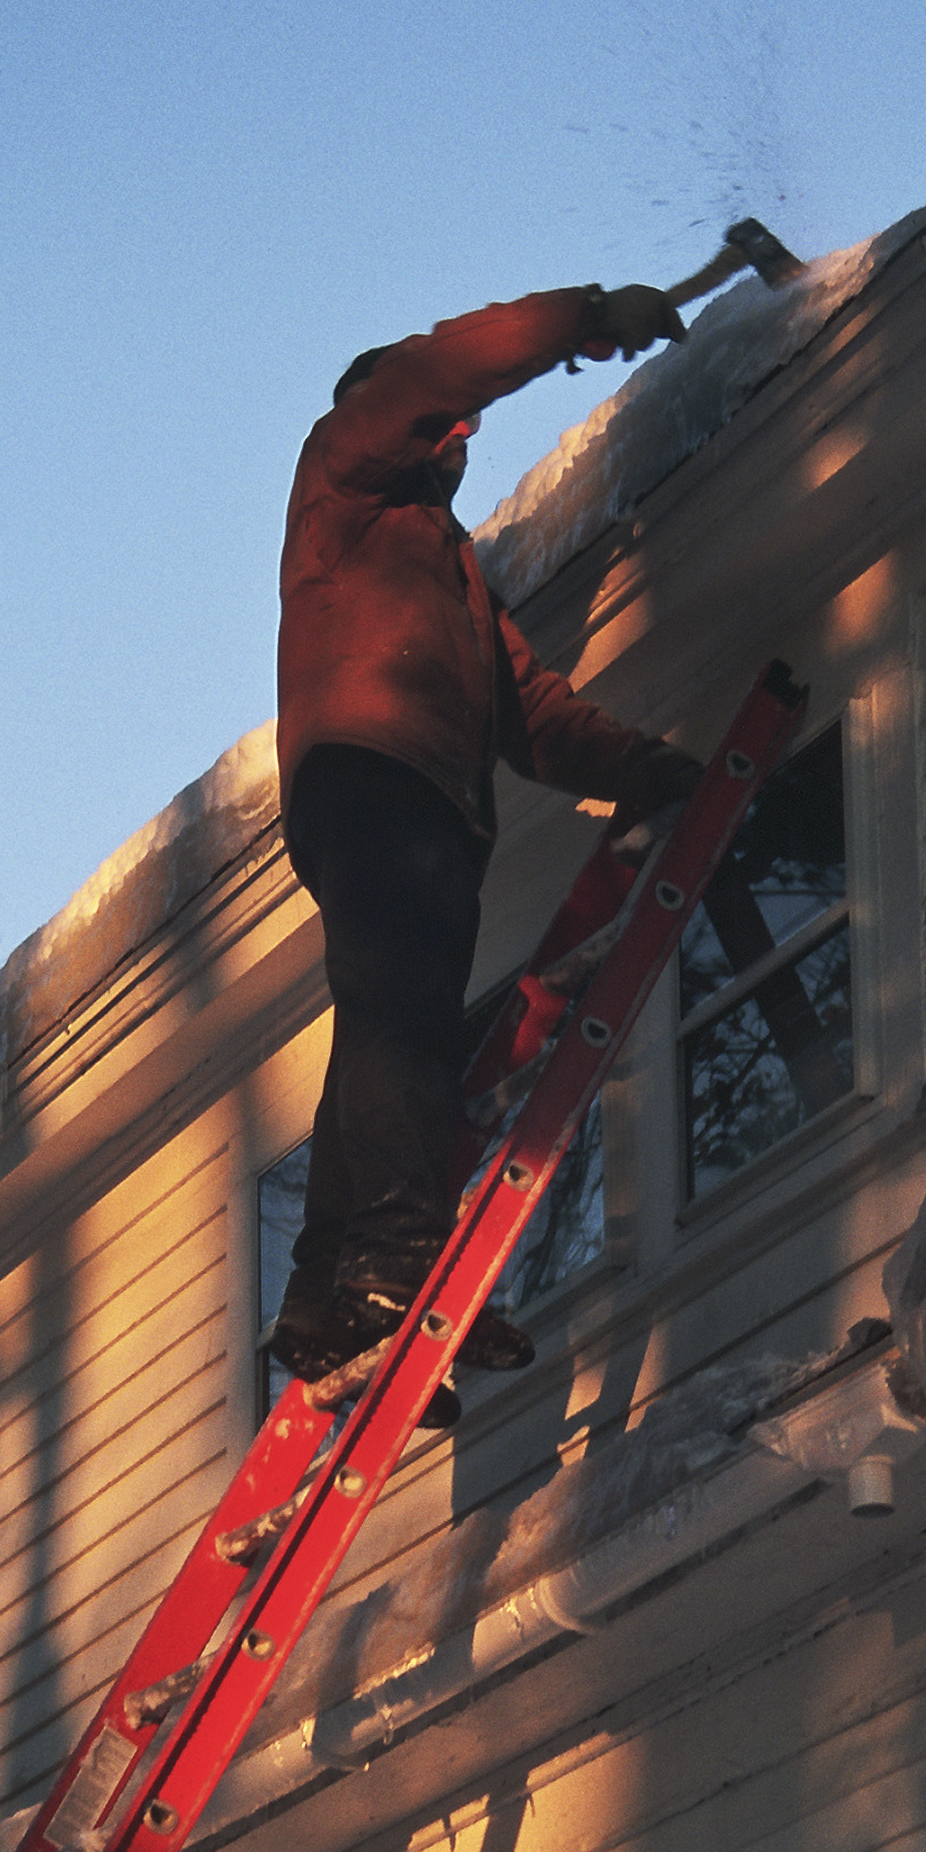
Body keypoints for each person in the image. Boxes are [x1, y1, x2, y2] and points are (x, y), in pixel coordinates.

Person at [271, 281, 701, 1414]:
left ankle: (326, 1292)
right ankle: (392, 1270)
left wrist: (652, 772)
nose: (460, 435)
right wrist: (584, 318)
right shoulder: (346, 481)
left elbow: (533, 713)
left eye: (468, 432)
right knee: (404, 1019)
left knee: (382, 1020)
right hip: (375, 774)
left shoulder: (451, 579)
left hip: (419, 805)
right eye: (445, 423)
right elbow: (435, 374)